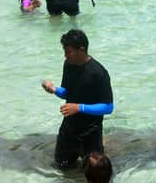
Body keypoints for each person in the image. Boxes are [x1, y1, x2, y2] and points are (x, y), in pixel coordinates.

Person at [41, 28, 113, 170]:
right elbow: (68, 93)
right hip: (68, 130)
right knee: (62, 167)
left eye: (68, 52)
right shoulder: (69, 65)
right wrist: (54, 89)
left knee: (96, 176)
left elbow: (108, 107)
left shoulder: (98, 73)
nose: (65, 56)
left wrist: (79, 107)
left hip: (90, 133)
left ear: (81, 50)